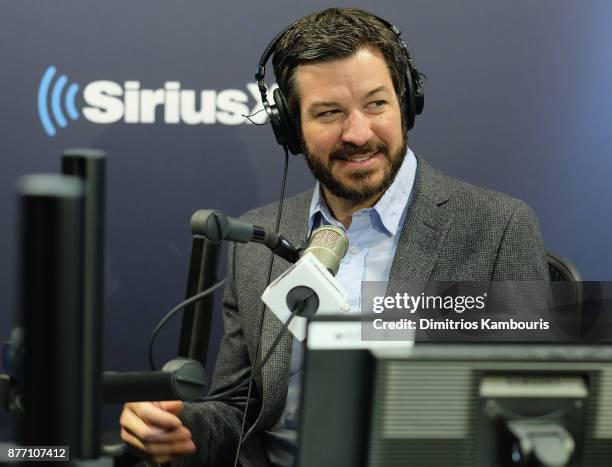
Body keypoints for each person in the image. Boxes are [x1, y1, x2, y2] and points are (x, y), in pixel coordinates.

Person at [119, 7, 550, 467]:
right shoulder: (258, 241)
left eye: (376, 104)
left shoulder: (497, 226)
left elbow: (532, 409)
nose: (358, 133)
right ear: (290, 127)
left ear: (406, 101)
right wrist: (185, 429)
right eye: (329, 113)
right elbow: (237, 408)